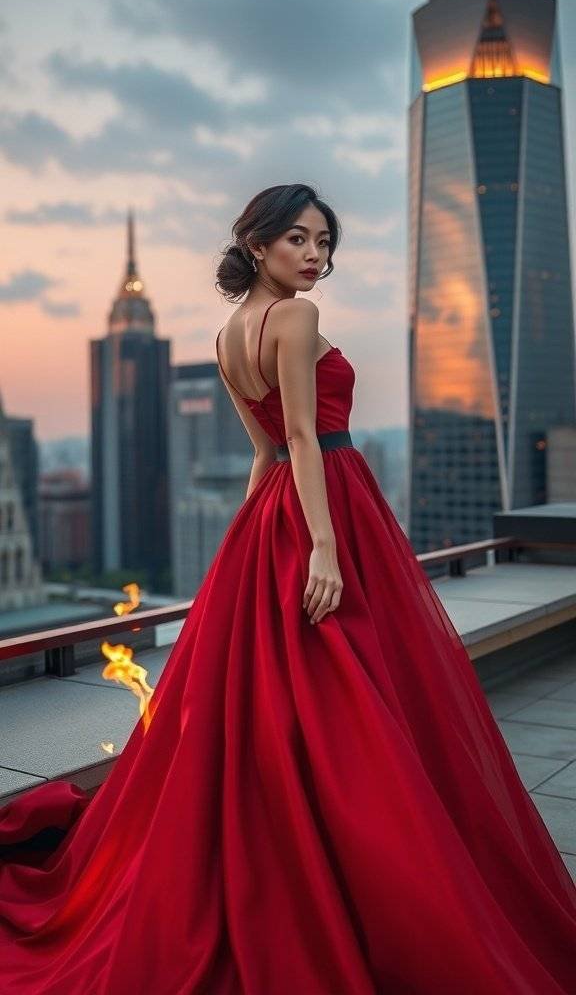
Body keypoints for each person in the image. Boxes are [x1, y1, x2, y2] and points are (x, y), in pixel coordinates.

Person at [0, 182, 575, 994]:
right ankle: (358, 865)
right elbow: (302, 438)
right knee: (357, 693)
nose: (316, 256)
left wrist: (245, 546)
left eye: (324, 243)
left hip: (273, 519)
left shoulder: (228, 332)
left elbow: (263, 455)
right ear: (258, 244)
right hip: (328, 503)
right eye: (300, 240)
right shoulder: (296, 320)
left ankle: (304, 845)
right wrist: (325, 549)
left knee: (287, 699)